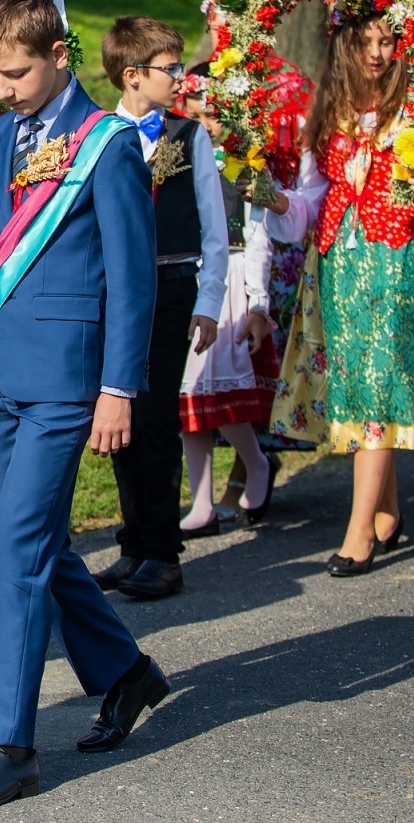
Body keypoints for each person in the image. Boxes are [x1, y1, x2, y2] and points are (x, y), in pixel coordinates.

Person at [0, 0, 169, 809]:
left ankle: (8, 744)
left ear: (60, 55)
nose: (6, 89)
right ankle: (126, 672)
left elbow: (134, 283)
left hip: (68, 381)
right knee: (26, 546)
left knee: (19, 553)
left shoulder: (109, 144)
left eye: (19, 72)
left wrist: (116, 389)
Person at [261, 14, 414, 577]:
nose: (377, 53)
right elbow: (311, 199)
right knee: (354, 380)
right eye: (366, 42)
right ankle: (387, 508)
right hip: (339, 261)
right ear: (345, 47)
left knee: (381, 376)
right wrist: (280, 204)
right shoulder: (328, 112)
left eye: (388, 41)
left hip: (398, 257)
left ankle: (358, 532)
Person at [92, 17, 227, 600]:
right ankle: (134, 542)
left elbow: (214, 228)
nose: (179, 77)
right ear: (132, 75)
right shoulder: (97, 135)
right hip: (115, 295)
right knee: (119, 415)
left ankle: (164, 552)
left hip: (171, 289)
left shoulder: (188, 136)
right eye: (169, 69)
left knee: (155, 418)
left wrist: (209, 302)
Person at [175, 76, 278, 537]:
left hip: (230, 280)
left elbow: (259, 238)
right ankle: (200, 502)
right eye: (195, 115)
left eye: (211, 115)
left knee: (222, 395)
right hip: (190, 278)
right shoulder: (176, 159)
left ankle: (256, 463)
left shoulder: (245, 167)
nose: (204, 125)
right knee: (189, 397)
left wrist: (258, 300)